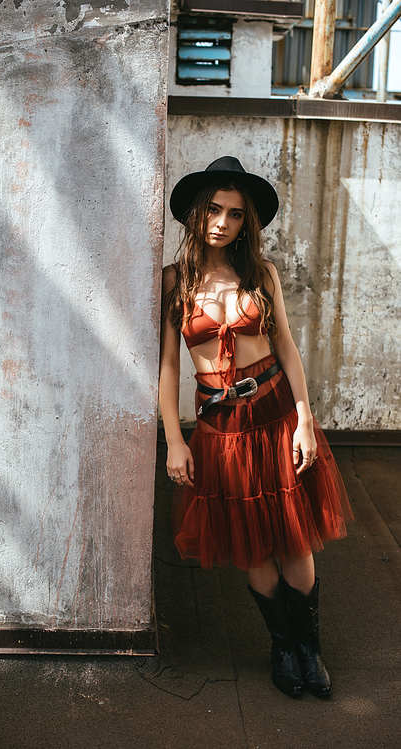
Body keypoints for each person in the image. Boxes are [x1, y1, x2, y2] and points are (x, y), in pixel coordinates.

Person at [159, 156, 353, 699]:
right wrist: (175, 437)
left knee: (291, 536)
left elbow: (286, 347)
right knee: (251, 544)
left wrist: (306, 422)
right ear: (197, 213)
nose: (223, 222)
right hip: (219, 428)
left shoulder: (259, 274)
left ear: (248, 223)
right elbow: (170, 365)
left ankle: (309, 648)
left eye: (236, 215)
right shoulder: (174, 281)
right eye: (214, 210)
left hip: (274, 415)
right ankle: (281, 646)